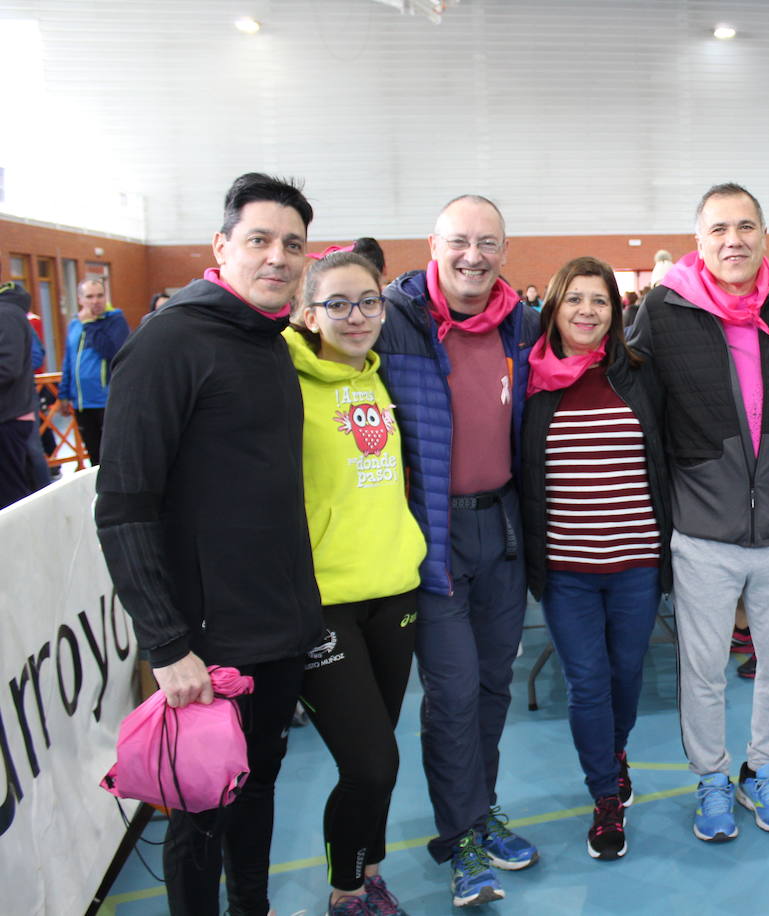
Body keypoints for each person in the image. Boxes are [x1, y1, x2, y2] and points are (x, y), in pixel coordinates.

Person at [93, 172, 324, 915]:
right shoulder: (169, 344)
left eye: (292, 244)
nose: (277, 257)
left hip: (277, 631)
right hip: (205, 642)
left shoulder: (270, 341)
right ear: (221, 246)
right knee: (201, 811)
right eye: (259, 240)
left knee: (257, 790)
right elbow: (122, 508)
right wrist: (166, 645)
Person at [628, 183, 769, 842]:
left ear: (764, 234)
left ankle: (762, 770)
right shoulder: (663, 309)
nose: (732, 240)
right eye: (718, 229)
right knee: (703, 669)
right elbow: (623, 385)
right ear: (699, 239)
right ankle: (711, 776)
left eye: (745, 227)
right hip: (703, 530)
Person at [373, 194, 541, 907]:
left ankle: (483, 807)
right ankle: (460, 835)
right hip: (431, 536)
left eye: (488, 242)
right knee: (451, 693)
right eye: (460, 241)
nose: (473, 255)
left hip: (501, 529)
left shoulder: (522, 324)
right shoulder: (390, 319)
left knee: (495, 684)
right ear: (433, 245)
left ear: (505, 251)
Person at [285, 251, 426, 915]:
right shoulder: (283, 381)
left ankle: (371, 872)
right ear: (307, 313)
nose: (356, 316)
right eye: (336, 304)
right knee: (370, 763)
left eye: (368, 301)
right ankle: (346, 890)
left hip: (394, 590)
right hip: (323, 605)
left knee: (383, 756)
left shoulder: (376, 378)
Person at [519, 256, 671, 861]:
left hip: (636, 563)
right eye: (574, 299)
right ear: (553, 308)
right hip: (566, 571)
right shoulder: (531, 382)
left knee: (626, 676)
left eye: (599, 300)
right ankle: (604, 797)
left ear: (616, 310)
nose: (587, 311)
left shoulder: (638, 373)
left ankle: (617, 752)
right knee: (586, 683)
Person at [58, 278, 130, 465]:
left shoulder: (115, 320)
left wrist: (90, 325)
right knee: (94, 457)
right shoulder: (74, 324)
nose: (95, 301)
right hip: (82, 402)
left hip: (107, 399)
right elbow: (69, 361)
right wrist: (63, 394)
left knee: (113, 456)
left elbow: (114, 352)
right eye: (89, 296)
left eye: (100, 295)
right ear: (80, 299)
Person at [0, 281, 40, 509]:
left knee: (11, 501)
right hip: (10, 415)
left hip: (8, 419)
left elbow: (8, 366)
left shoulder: (5, 313)